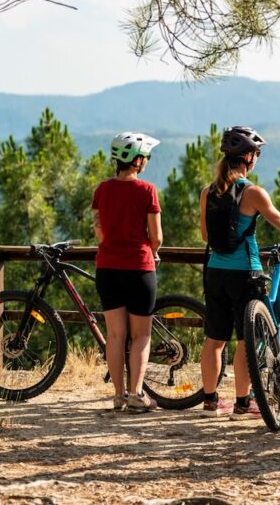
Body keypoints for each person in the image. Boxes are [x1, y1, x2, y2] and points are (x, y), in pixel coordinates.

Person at [199, 126, 280, 419]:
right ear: (248, 157)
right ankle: (242, 402)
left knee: (214, 339)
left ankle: (210, 402)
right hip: (245, 273)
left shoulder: (208, 192)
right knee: (246, 340)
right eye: (257, 153)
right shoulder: (252, 192)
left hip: (214, 271)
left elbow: (204, 234)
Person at [92, 131, 163, 412]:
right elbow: (156, 235)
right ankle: (136, 394)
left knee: (115, 335)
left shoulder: (102, 190)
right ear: (136, 161)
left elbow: (99, 231)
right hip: (139, 267)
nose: (146, 161)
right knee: (141, 335)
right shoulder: (147, 191)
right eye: (145, 156)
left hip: (107, 267)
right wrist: (153, 250)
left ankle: (118, 395)